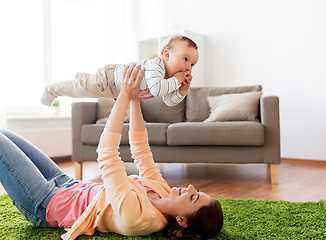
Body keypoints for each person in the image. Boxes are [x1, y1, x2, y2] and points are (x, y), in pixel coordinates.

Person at [0, 64, 223, 240]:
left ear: (182, 221)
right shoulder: (163, 192)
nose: (190, 188)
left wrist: (124, 96)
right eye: (197, 191)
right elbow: (141, 150)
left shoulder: (137, 218)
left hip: (45, 203)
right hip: (68, 184)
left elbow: (107, 154)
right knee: (4, 133)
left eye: (193, 197)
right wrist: (135, 100)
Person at [40, 35, 199, 107]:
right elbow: (156, 90)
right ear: (166, 55)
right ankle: (51, 90)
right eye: (185, 59)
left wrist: (182, 90)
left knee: (86, 84)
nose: (188, 67)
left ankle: (82, 78)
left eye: (192, 64)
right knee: (82, 90)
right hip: (109, 81)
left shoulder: (166, 78)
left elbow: (168, 101)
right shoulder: (156, 65)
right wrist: (177, 81)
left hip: (116, 90)